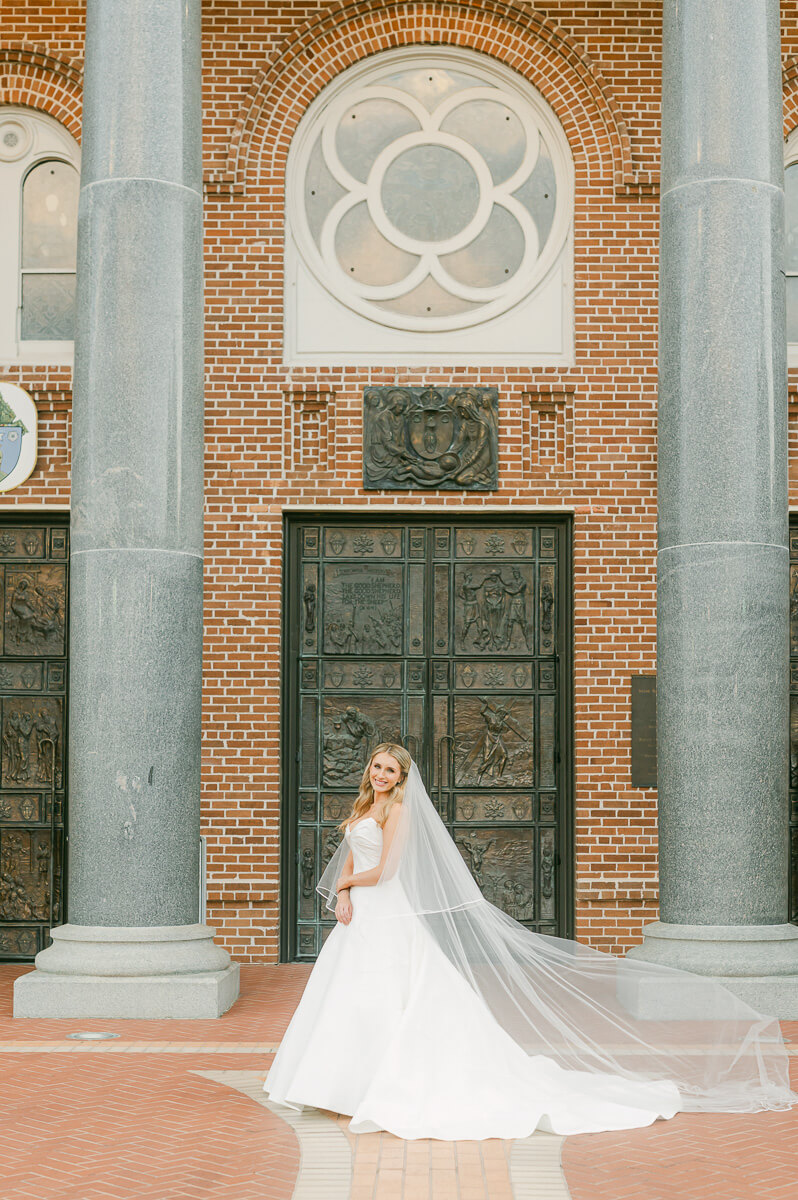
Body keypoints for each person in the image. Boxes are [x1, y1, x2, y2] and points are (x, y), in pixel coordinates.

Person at [263, 744, 796, 1140]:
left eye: (390, 770)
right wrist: (342, 895)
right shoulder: (363, 807)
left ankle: (372, 1088)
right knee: (349, 1000)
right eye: (377, 766)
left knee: (385, 998)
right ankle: (339, 1085)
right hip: (360, 917)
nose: (380, 775)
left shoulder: (399, 811)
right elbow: (355, 858)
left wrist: (351, 886)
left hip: (389, 913)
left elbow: (387, 870)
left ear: (402, 779)